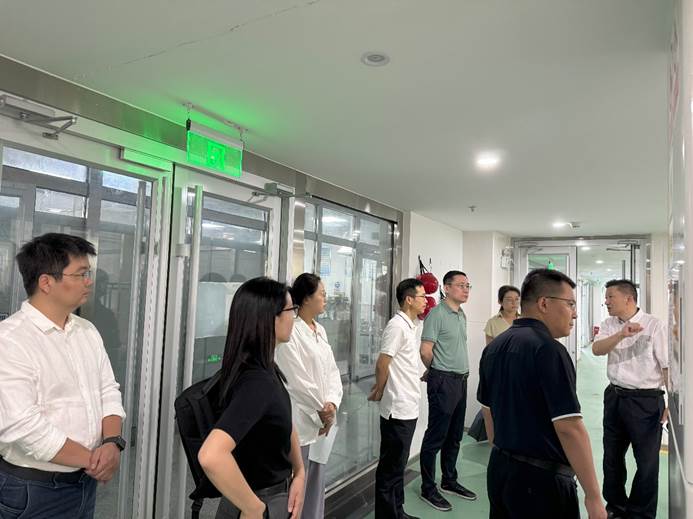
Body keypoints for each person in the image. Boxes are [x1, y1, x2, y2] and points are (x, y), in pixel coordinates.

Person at [0, 233, 126, 519]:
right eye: (80, 274)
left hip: (84, 482)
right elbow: (21, 425)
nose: (89, 282)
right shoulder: (10, 340)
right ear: (46, 282)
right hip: (33, 490)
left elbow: (108, 390)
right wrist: (95, 460)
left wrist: (112, 442)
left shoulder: (86, 331)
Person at [477, 268, 606, 519]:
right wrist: (592, 495)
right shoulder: (549, 350)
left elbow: (487, 410)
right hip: (540, 482)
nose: (575, 313)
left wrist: (506, 452)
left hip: (500, 470)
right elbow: (569, 428)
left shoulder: (495, 346)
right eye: (570, 304)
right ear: (544, 303)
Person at [198, 276, 305, 519]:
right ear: (270, 318)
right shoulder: (257, 383)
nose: (294, 317)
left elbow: (283, 422)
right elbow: (211, 455)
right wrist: (254, 508)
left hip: (270, 495)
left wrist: (299, 472)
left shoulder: (263, 369)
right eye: (291, 310)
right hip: (260, 501)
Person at [592, 279, 668, 519]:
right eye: (606, 297)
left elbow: (666, 366)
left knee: (646, 463)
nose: (606, 302)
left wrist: (672, 404)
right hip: (615, 397)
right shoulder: (609, 324)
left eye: (610, 297)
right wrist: (620, 334)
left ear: (628, 298)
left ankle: (640, 513)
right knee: (612, 458)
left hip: (646, 401)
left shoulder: (654, 325)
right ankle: (616, 507)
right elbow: (597, 349)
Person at [275, 273, 343, 519]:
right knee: (296, 487)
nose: (326, 298)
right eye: (322, 294)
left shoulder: (320, 330)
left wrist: (332, 404)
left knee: (316, 482)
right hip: (302, 421)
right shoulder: (290, 331)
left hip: (324, 420)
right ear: (305, 299)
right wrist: (322, 413)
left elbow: (333, 371)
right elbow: (296, 381)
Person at [368, 278, 428, 519]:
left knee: (398, 466)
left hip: (408, 405)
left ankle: (397, 511)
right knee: (390, 468)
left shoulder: (410, 326)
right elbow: (383, 363)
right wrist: (380, 390)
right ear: (409, 300)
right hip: (397, 408)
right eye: (422, 296)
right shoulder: (397, 326)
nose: (426, 301)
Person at [418, 270, 476, 511]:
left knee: (454, 436)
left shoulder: (461, 314)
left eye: (468, 285)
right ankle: (428, 488)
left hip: (461, 380)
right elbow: (425, 350)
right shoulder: (437, 314)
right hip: (444, 381)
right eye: (461, 285)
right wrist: (436, 371)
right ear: (447, 288)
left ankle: (449, 481)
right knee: (436, 437)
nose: (466, 289)